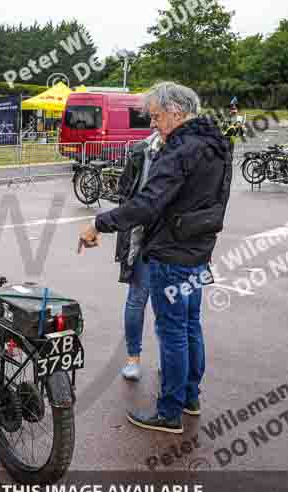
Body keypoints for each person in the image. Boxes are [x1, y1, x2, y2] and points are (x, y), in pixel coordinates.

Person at [78, 82, 232, 434]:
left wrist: (99, 224)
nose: (154, 125)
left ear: (177, 112)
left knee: (172, 332)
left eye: (157, 117)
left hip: (171, 253)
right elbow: (218, 200)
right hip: (197, 249)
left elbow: (147, 204)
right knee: (191, 325)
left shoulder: (178, 150)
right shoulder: (218, 143)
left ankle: (169, 411)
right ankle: (190, 398)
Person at [115, 130, 164, 381]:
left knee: (169, 305)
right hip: (141, 237)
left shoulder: (189, 151)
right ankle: (133, 358)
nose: (153, 121)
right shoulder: (141, 150)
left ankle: (169, 359)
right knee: (137, 298)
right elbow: (125, 190)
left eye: (157, 115)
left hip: (172, 242)